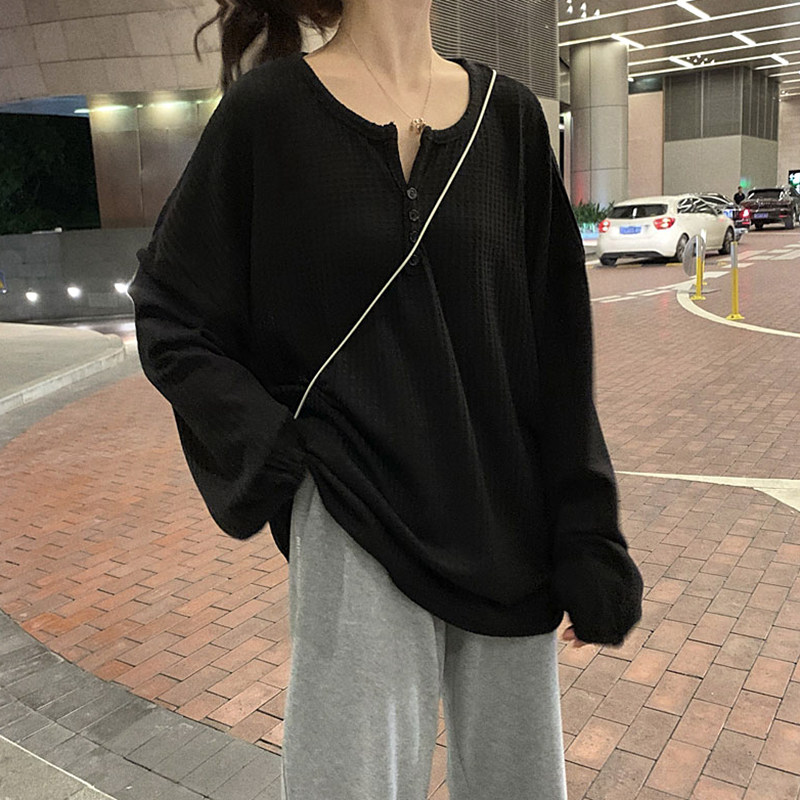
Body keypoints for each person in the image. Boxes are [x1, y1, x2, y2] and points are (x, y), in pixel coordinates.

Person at [128, 0, 644, 797]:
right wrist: (273, 446)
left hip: (507, 527)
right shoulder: (269, 115)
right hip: (354, 520)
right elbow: (170, 309)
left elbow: (559, 351)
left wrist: (588, 533)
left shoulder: (508, 118)